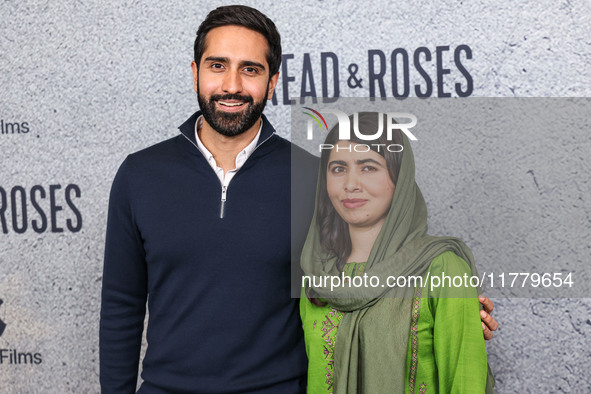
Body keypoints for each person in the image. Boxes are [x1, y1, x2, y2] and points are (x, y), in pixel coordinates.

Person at [100, 5, 497, 393]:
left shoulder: (315, 177)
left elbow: (376, 267)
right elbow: (121, 303)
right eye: (217, 65)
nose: (232, 85)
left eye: (250, 70)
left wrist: (449, 306)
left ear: (272, 82)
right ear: (195, 72)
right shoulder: (140, 175)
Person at [300, 112, 495, 393]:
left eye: (368, 168)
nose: (351, 184)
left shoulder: (442, 269)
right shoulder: (318, 276)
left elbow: (466, 383)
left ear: (400, 177)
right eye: (338, 169)